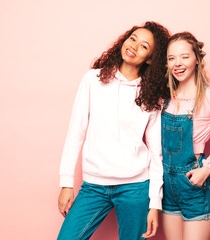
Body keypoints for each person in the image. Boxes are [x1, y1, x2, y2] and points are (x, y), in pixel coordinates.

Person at [57, 21, 170, 240]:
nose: (134, 46)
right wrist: (66, 184)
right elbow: (75, 132)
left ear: (149, 59)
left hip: (135, 188)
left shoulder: (152, 96)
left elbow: (157, 153)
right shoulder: (93, 79)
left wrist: (154, 204)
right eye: (133, 38)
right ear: (124, 40)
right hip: (94, 186)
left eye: (144, 46)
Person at [161, 32, 210, 240]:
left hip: (193, 184)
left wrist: (206, 170)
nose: (177, 63)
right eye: (171, 58)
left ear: (197, 59)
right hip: (166, 186)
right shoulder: (164, 99)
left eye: (184, 56)